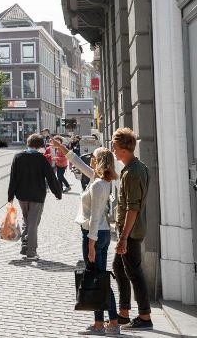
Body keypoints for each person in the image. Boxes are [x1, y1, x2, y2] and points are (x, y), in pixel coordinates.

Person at [50, 139, 120, 335]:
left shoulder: (99, 185)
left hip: (94, 235)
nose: (90, 160)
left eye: (93, 158)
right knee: (98, 278)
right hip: (98, 234)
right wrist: (62, 148)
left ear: (99, 161)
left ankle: (111, 324)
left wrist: (90, 245)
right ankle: (102, 323)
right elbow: (78, 163)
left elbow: (96, 217)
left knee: (99, 279)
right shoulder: (98, 179)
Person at [111, 128, 153, 330]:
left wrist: (123, 238)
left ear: (125, 149)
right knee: (119, 267)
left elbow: (132, 208)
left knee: (134, 272)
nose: (113, 150)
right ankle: (124, 313)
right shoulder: (137, 167)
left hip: (131, 232)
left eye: (115, 147)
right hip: (131, 231)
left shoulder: (132, 172)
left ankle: (145, 317)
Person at [7, 133, 63, 260]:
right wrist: (57, 193)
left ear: (28, 143)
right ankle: (31, 252)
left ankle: (25, 244)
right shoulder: (41, 158)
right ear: (40, 146)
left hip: (21, 195)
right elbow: (50, 177)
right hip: (37, 195)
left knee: (27, 220)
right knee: (33, 223)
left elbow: (13, 178)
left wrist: (10, 196)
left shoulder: (18, 157)